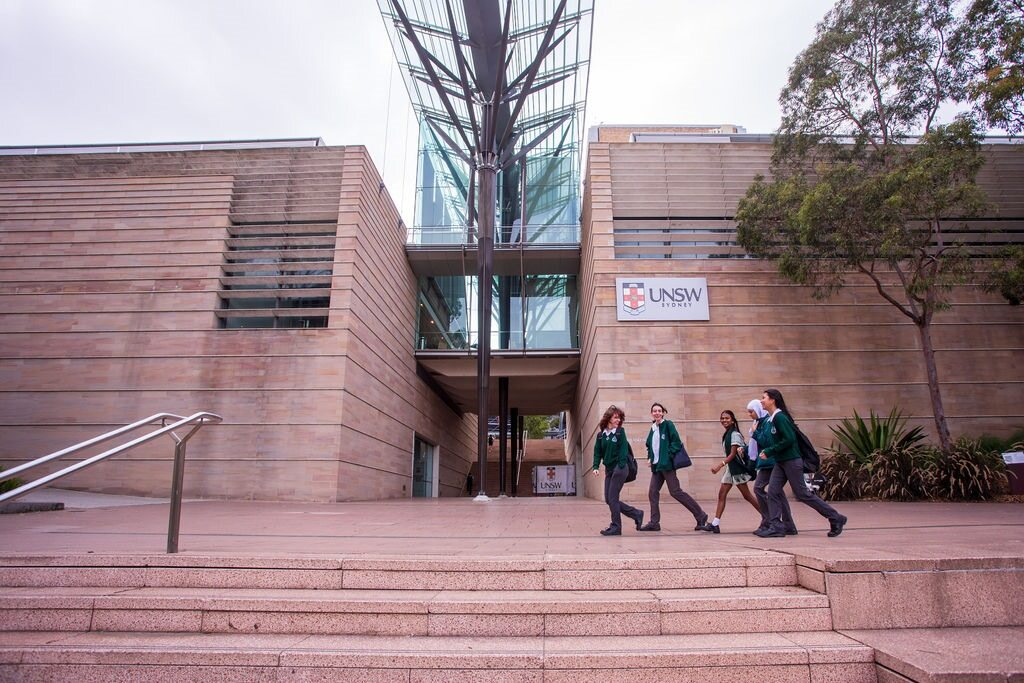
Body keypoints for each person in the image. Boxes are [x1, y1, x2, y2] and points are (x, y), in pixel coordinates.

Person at [755, 389, 848, 538]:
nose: (761, 401)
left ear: (773, 400)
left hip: (791, 460)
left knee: (802, 493)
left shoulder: (780, 417)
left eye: (764, 398)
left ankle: (835, 517)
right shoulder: (772, 418)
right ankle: (776, 526)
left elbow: (789, 439)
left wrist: (770, 451)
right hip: (781, 462)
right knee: (773, 491)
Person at [637, 402, 708, 532]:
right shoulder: (653, 428)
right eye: (654, 411)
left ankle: (701, 515)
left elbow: (676, 442)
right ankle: (654, 522)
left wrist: (667, 456)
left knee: (675, 492)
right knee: (652, 492)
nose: (657, 413)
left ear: (663, 412)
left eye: (659, 410)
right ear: (651, 413)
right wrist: (650, 457)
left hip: (667, 466)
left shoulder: (668, 425)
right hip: (657, 467)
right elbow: (649, 445)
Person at [589, 405, 644, 536]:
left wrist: (620, 465)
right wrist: (596, 466)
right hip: (609, 469)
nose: (618, 420)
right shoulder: (601, 435)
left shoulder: (620, 432)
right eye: (615, 417)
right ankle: (636, 514)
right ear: (608, 418)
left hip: (620, 468)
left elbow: (624, 449)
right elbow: (597, 452)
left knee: (613, 498)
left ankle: (616, 526)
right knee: (609, 499)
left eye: (619, 418)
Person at [703, 410, 761, 533]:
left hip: (737, 469)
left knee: (748, 496)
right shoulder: (728, 433)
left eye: (727, 418)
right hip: (731, 469)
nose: (724, 420)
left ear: (733, 420)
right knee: (722, 495)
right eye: (722, 418)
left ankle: (769, 518)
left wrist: (719, 465)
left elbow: (733, 454)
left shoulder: (734, 434)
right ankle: (715, 524)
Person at [748, 399, 797, 535]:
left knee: (760, 488)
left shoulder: (767, 422)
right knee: (777, 493)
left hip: (770, 461)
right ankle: (786, 524)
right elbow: (756, 445)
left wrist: (755, 433)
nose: (750, 414)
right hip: (765, 461)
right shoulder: (758, 422)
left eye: (751, 411)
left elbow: (768, 442)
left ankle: (770, 521)